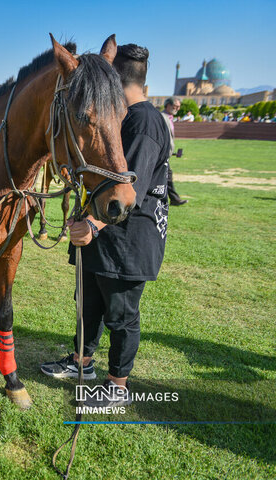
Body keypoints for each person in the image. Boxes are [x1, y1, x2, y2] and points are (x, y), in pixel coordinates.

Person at [40, 44, 171, 408]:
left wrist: (93, 226)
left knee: (121, 314)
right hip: (101, 233)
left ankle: (117, 386)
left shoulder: (145, 122)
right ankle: (82, 361)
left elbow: (133, 190)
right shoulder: (121, 116)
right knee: (89, 302)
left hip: (129, 238)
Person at [161, 98, 188, 206]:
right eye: (175, 106)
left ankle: (174, 199)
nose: (177, 108)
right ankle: (174, 199)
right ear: (167, 105)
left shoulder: (169, 118)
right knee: (167, 175)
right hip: (161, 154)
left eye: (178, 106)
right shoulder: (163, 117)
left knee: (167, 175)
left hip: (165, 153)